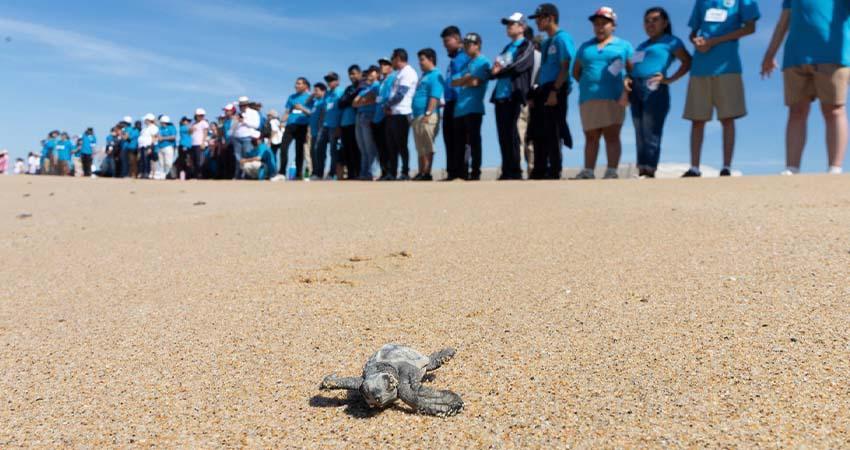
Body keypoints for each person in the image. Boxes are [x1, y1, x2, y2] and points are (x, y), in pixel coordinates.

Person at [762, 0, 849, 175]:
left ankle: (834, 167)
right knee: (796, 111)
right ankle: (792, 167)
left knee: (834, 110)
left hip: (833, 54)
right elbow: (784, 21)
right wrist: (770, 54)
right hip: (795, 55)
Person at [684, 0, 760, 177]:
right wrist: (697, 41)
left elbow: (750, 28)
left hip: (727, 66)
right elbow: (693, 32)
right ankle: (694, 168)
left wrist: (715, 41)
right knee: (697, 119)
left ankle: (726, 167)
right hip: (700, 67)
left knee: (727, 118)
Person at [626, 7, 692, 178]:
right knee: (639, 129)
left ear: (665, 23)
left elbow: (687, 61)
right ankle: (642, 169)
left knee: (651, 128)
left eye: (655, 20)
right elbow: (632, 67)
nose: (650, 24)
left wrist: (669, 80)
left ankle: (649, 169)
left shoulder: (671, 41)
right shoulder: (642, 45)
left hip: (654, 87)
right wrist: (627, 78)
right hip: (635, 88)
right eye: (647, 21)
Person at [573, 7, 634, 180]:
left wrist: (629, 79)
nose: (600, 27)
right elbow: (576, 71)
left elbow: (636, 66)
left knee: (612, 135)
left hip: (614, 97)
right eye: (596, 24)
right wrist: (589, 85)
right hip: (588, 98)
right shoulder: (585, 47)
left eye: (604, 24)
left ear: (613, 25)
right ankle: (588, 171)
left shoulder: (624, 45)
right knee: (590, 136)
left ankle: (612, 171)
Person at [529, 3, 576, 180]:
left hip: (556, 88)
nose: (537, 22)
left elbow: (566, 65)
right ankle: (539, 169)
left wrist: (555, 90)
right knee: (539, 130)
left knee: (554, 130)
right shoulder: (547, 41)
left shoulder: (562, 38)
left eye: (540, 18)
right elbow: (544, 69)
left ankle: (554, 169)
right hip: (543, 88)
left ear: (551, 18)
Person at [492, 13, 535, 180]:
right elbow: (496, 67)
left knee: (514, 134)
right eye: (507, 24)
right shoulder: (506, 48)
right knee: (503, 135)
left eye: (512, 24)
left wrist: (499, 71)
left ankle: (515, 171)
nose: (509, 27)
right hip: (501, 96)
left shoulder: (526, 45)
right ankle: (507, 170)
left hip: (515, 95)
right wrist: (494, 71)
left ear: (522, 26)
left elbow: (520, 65)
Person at [452, 34, 491, 181]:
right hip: (460, 108)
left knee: (474, 141)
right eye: (466, 44)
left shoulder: (484, 62)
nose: (467, 46)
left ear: (478, 45)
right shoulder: (466, 63)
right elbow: (453, 82)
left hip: (473, 107)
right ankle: (462, 172)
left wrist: (465, 80)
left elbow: (476, 82)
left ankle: (475, 172)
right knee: (460, 143)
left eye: (470, 44)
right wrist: (466, 79)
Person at [441, 26, 471, 181]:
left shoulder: (465, 56)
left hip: (460, 103)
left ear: (457, 39)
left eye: (447, 41)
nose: (445, 44)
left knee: (461, 139)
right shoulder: (452, 60)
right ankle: (452, 172)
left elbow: (467, 78)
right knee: (449, 138)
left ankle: (462, 171)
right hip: (449, 103)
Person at [384, 49, 419, 181]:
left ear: (398, 58)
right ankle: (392, 172)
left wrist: (387, 105)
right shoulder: (400, 73)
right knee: (391, 145)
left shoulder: (408, 72)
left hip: (402, 113)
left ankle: (404, 172)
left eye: (392, 58)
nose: (391, 61)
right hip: (393, 113)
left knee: (401, 144)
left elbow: (401, 94)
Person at [411, 48, 445, 181]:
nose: (420, 63)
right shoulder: (424, 76)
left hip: (428, 115)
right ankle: (421, 172)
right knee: (420, 146)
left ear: (431, 59)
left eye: (422, 59)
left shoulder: (436, 75)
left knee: (427, 144)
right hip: (417, 116)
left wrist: (428, 113)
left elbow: (434, 96)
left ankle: (427, 172)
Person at [280, 78, 312, 180]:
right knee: (283, 148)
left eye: (299, 84)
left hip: (302, 126)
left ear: (305, 86)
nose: (296, 85)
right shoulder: (291, 97)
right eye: (296, 84)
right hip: (290, 126)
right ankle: (281, 172)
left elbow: (312, 113)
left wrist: (302, 108)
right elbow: (287, 111)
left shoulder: (309, 97)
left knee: (299, 151)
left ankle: (298, 174)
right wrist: (282, 121)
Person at [353, 66, 382, 180]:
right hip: (359, 116)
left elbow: (373, 99)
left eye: (372, 73)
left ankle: (374, 172)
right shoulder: (365, 88)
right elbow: (354, 103)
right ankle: (364, 173)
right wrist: (363, 100)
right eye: (368, 73)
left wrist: (362, 101)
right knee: (362, 147)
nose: (369, 75)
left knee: (370, 146)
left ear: (377, 74)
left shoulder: (376, 85)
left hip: (368, 116)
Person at [316, 72, 345, 180]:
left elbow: (343, 109)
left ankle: (332, 174)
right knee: (319, 149)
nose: (329, 82)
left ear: (337, 81)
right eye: (328, 80)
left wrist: (339, 126)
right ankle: (319, 173)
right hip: (325, 125)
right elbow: (323, 110)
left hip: (335, 125)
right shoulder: (326, 94)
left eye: (332, 80)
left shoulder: (341, 92)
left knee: (333, 151)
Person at [339, 66, 363, 179]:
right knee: (347, 148)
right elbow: (341, 103)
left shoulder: (362, 86)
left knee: (356, 148)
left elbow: (354, 100)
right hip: (345, 123)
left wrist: (349, 99)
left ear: (360, 73)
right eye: (350, 74)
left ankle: (358, 172)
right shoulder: (349, 88)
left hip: (356, 122)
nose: (351, 76)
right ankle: (351, 173)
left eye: (353, 73)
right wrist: (350, 99)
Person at [373, 58, 395, 179]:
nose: (382, 66)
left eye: (385, 64)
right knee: (380, 147)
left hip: (387, 116)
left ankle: (391, 172)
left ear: (391, 67)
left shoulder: (393, 78)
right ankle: (384, 171)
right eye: (381, 64)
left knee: (388, 146)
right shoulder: (380, 82)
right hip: (377, 118)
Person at [233, 98, 260, 179]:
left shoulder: (253, 113)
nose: (242, 107)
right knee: (238, 158)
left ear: (247, 105)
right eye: (240, 105)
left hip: (247, 137)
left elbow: (256, 125)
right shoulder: (238, 114)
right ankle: (238, 175)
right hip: (237, 137)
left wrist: (244, 121)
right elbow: (234, 126)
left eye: (244, 105)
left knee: (247, 157)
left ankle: (248, 176)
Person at [307, 83, 327, 180]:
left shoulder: (324, 101)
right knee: (312, 152)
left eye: (317, 90)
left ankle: (319, 173)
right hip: (313, 131)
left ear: (323, 91)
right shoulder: (315, 101)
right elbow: (307, 103)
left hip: (321, 129)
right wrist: (313, 94)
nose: (315, 92)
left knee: (319, 151)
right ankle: (314, 172)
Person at [138, 113, 160, 179]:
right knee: (143, 161)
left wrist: (150, 147)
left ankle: (147, 174)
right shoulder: (145, 128)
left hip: (148, 146)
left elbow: (154, 138)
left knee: (147, 161)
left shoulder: (154, 128)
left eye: (145, 119)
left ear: (149, 120)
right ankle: (143, 173)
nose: (144, 121)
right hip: (142, 146)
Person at [190, 108, 210, 179]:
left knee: (200, 161)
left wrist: (203, 142)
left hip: (200, 144)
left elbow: (205, 133)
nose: (201, 117)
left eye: (202, 115)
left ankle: (200, 175)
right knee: (194, 160)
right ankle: (195, 175)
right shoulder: (193, 123)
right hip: (193, 144)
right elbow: (190, 133)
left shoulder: (204, 123)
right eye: (199, 115)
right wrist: (191, 129)